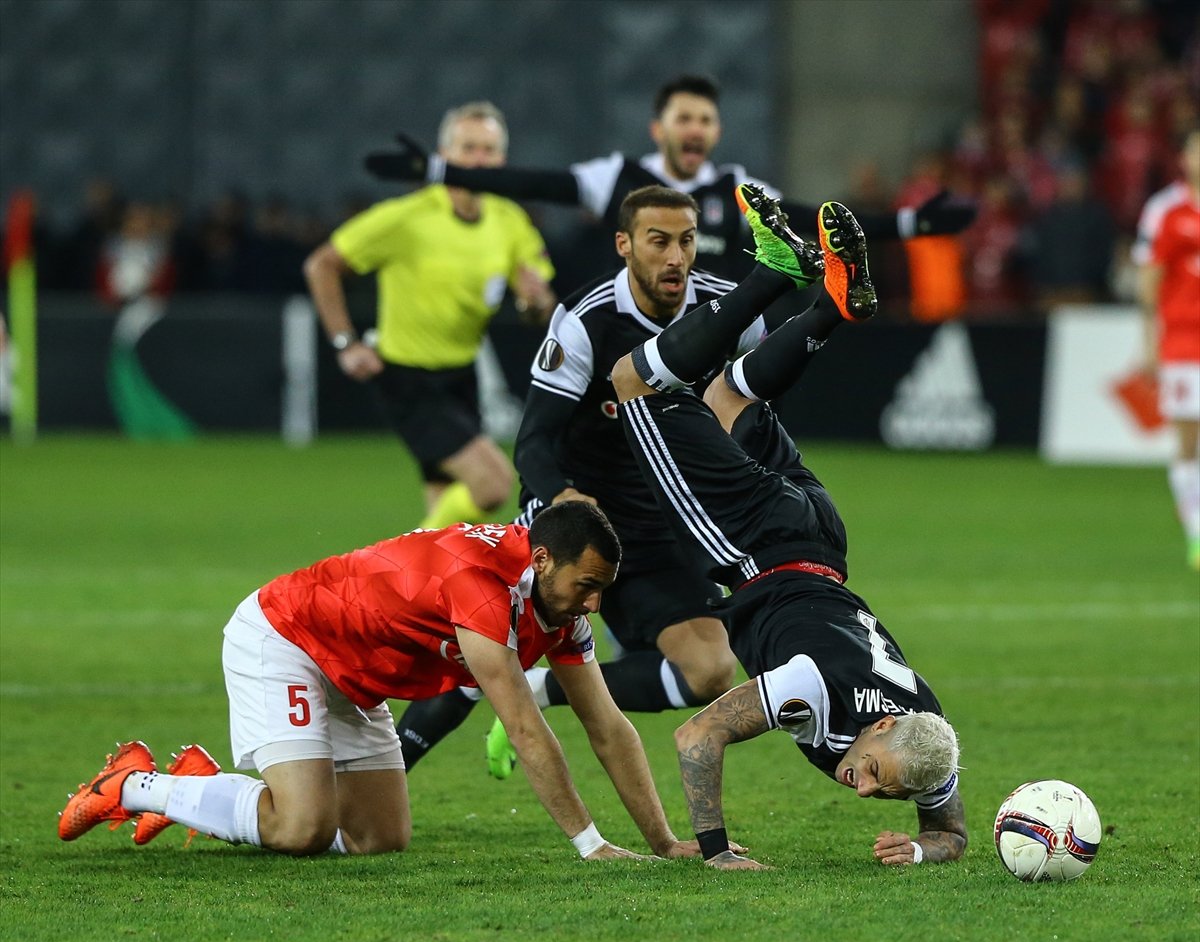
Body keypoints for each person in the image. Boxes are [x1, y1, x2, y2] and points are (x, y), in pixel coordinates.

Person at [608, 183, 966, 870]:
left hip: (823, 538)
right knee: (635, 382)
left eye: (881, 792)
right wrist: (715, 852)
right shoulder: (814, 684)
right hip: (755, 547)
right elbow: (697, 737)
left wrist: (922, 847)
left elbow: (952, 832)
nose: (862, 789)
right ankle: (772, 274)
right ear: (883, 725)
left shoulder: (927, 726)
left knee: (729, 394)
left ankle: (830, 304)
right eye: (873, 772)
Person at [57, 501, 705, 862]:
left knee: (379, 838)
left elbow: (608, 726)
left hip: (353, 676)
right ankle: (136, 784)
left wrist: (667, 844)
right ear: (541, 560)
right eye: (587, 587)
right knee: (304, 828)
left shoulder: (556, 602)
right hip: (286, 639)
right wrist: (592, 848)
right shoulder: (481, 589)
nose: (594, 605)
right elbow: (526, 730)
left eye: (601, 591)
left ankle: (212, 791)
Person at [393, 185, 786, 775]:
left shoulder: (729, 312)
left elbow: (751, 409)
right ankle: (388, 768)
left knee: (709, 670)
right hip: (573, 515)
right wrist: (562, 499)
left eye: (686, 242)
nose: (675, 257)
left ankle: (540, 689)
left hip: (661, 525)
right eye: (659, 242)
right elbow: (533, 441)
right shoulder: (586, 319)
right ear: (625, 245)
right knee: (485, 649)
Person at [364, 75, 977, 282]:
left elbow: (814, 219)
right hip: (625, 350)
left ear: (715, 131)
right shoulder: (618, 177)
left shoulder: (735, 186)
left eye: (705, 119)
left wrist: (910, 222)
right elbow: (536, 182)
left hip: (707, 356)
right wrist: (441, 170)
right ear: (659, 129)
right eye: (683, 117)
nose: (695, 127)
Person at [305, 101, 558, 530]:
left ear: (502, 160)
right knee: (492, 485)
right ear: (444, 155)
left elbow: (540, 307)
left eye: (489, 150)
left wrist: (535, 301)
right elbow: (321, 265)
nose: (479, 160)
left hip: (461, 376)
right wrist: (345, 343)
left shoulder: (509, 220)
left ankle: (417, 587)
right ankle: (395, 562)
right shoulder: (408, 217)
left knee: (447, 519)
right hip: (408, 377)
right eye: (468, 148)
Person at [1133, 127, 1200, 571]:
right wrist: (1149, 341)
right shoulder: (1165, 210)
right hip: (1184, 341)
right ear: (1185, 156)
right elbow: (1148, 280)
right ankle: (1197, 534)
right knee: (1189, 442)